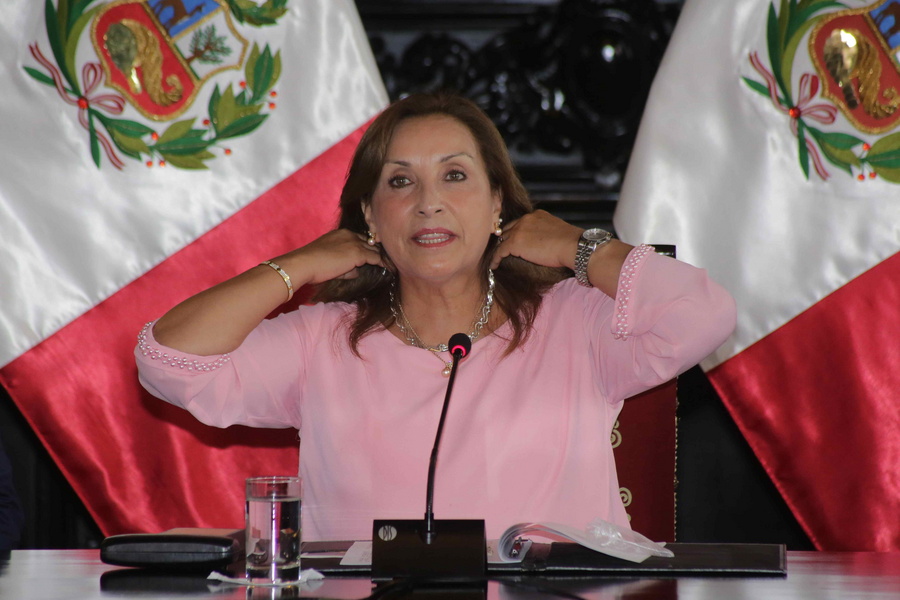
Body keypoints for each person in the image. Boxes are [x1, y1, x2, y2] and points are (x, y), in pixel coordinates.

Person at [136, 92, 735, 542]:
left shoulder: (575, 323)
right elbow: (168, 360)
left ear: (498, 201)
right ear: (371, 216)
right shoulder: (324, 340)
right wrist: (299, 264)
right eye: (401, 182)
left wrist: (582, 247)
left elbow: (705, 314)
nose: (429, 202)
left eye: (455, 175)